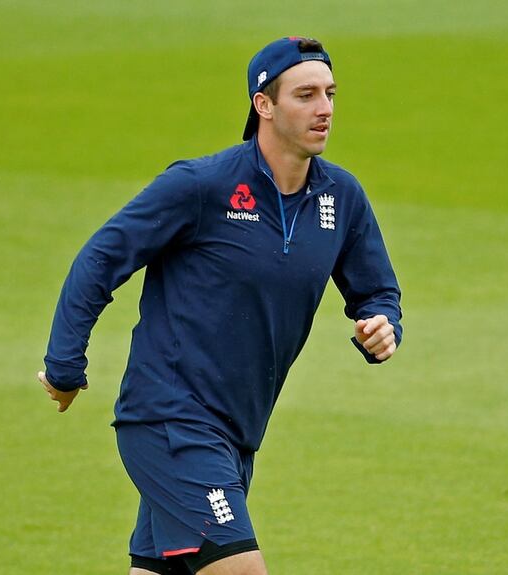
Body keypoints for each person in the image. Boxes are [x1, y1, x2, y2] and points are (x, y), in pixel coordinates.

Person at [37, 37, 403, 575]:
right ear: (264, 105)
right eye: (305, 95)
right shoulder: (202, 186)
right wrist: (66, 364)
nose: (324, 108)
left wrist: (381, 325)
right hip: (169, 420)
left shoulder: (340, 198)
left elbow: (376, 291)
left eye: (329, 93)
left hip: (237, 433)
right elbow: (101, 257)